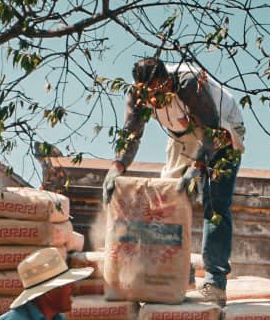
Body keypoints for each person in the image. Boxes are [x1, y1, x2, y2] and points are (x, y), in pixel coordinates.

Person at [102, 57, 246, 306]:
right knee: (168, 199)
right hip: (183, 135)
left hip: (222, 130)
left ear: (167, 80)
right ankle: (176, 270)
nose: (156, 100)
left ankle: (215, 281)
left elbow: (211, 133)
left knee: (215, 205)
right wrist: (117, 166)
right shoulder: (139, 94)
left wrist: (197, 168)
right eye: (150, 96)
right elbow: (132, 132)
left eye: (160, 92)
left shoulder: (188, 83)